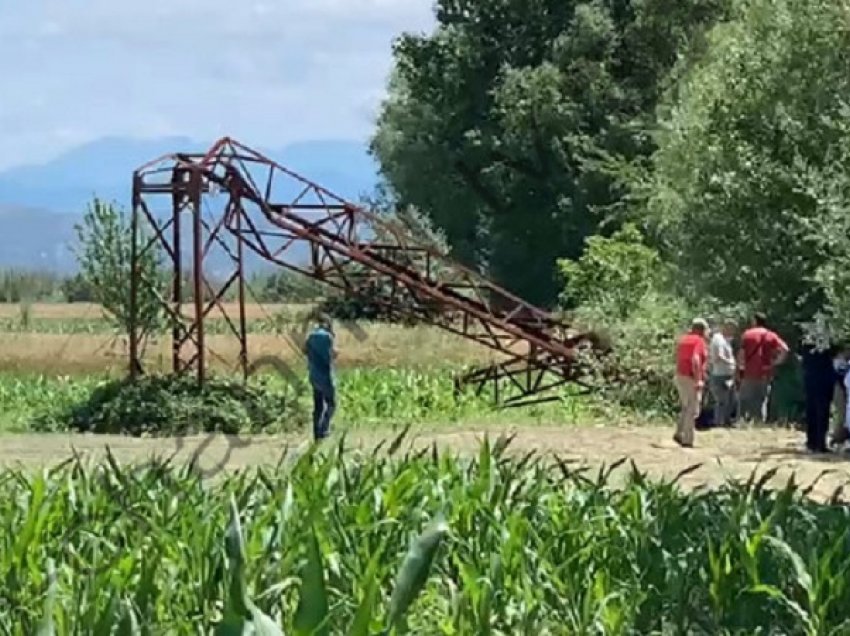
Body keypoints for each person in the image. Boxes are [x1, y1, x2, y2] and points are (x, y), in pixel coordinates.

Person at [736, 313, 789, 423]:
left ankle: (743, 421)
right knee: (761, 399)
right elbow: (785, 349)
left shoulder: (748, 334)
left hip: (749, 371)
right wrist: (776, 362)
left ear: (755, 321)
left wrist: (740, 368)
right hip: (765, 372)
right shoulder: (771, 335)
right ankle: (759, 422)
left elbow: (742, 353)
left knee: (745, 398)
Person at [674, 317, 709, 447]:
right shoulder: (699, 341)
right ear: (701, 330)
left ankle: (679, 432)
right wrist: (698, 379)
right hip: (690, 377)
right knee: (692, 408)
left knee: (686, 405)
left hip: (680, 375)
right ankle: (687, 439)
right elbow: (695, 359)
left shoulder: (683, 340)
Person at [800, 337, 838, 453]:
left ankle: (811, 441)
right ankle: (820, 443)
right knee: (822, 410)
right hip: (824, 376)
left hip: (810, 375)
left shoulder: (806, 337)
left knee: (811, 409)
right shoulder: (828, 336)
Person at [304, 314, 337, 441]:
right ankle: (324, 428)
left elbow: (305, 350)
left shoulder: (311, 336)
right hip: (326, 375)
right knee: (331, 404)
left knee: (318, 405)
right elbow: (332, 354)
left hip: (314, 375)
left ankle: (316, 431)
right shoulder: (328, 337)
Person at [708, 319, 737, 427]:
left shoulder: (726, 340)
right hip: (720, 375)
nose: (733, 332)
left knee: (730, 400)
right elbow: (719, 356)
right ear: (725, 327)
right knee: (722, 400)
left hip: (728, 374)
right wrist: (732, 363)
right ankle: (719, 422)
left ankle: (726, 421)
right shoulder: (718, 339)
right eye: (731, 328)